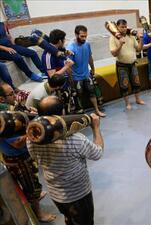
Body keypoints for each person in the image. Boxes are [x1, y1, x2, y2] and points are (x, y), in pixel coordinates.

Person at [27, 95, 104, 225]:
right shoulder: (75, 139)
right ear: (61, 115)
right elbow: (97, 153)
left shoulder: (32, 137)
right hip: (78, 195)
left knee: (68, 216)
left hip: (56, 194)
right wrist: (96, 128)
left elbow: (35, 158)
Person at [0, 82, 56, 222]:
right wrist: (32, 130)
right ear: (1, 99)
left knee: (33, 180)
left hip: (22, 156)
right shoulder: (3, 120)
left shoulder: (10, 109)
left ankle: (35, 194)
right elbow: (17, 143)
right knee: (30, 186)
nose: (15, 95)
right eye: (11, 94)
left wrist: (28, 114)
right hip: (17, 158)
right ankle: (39, 213)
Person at [67, 25, 106, 117]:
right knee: (78, 96)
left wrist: (93, 68)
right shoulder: (71, 48)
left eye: (85, 36)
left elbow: (89, 57)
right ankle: (82, 116)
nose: (84, 38)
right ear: (76, 35)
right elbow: (68, 65)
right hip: (76, 77)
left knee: (92, 92)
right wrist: (71, 78)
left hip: (86, 74)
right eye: (82, 36)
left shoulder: (87, 44)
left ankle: (97, 110)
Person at [109, 19, 145, 110]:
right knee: (124, 85)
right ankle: (127, 103)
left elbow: (138, 49)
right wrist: (120, 45)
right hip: (122, 65)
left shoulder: (131, 36)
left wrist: (141, 40)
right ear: (117, 27)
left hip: (132, 64)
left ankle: (138, 99)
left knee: (136, 82)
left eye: (125, 27)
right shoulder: (113, 37)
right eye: (122, 27)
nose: (124, 29)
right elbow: (114, 54)